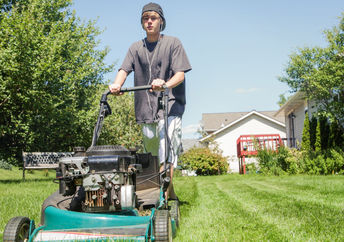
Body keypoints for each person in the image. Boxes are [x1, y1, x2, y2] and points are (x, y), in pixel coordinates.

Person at [109, 2, 191, 200]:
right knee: (152, 154)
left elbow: (180, 75)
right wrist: (116, 85)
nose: (149, 22)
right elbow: (124, 69)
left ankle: (163, 195)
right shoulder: (135, 48)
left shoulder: (173, 43)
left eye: (153, 18)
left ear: (161, 21)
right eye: (146, 18)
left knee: (167, 149)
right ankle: (168, 193)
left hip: (170, 105)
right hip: (145, 108)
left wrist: (165, 84)